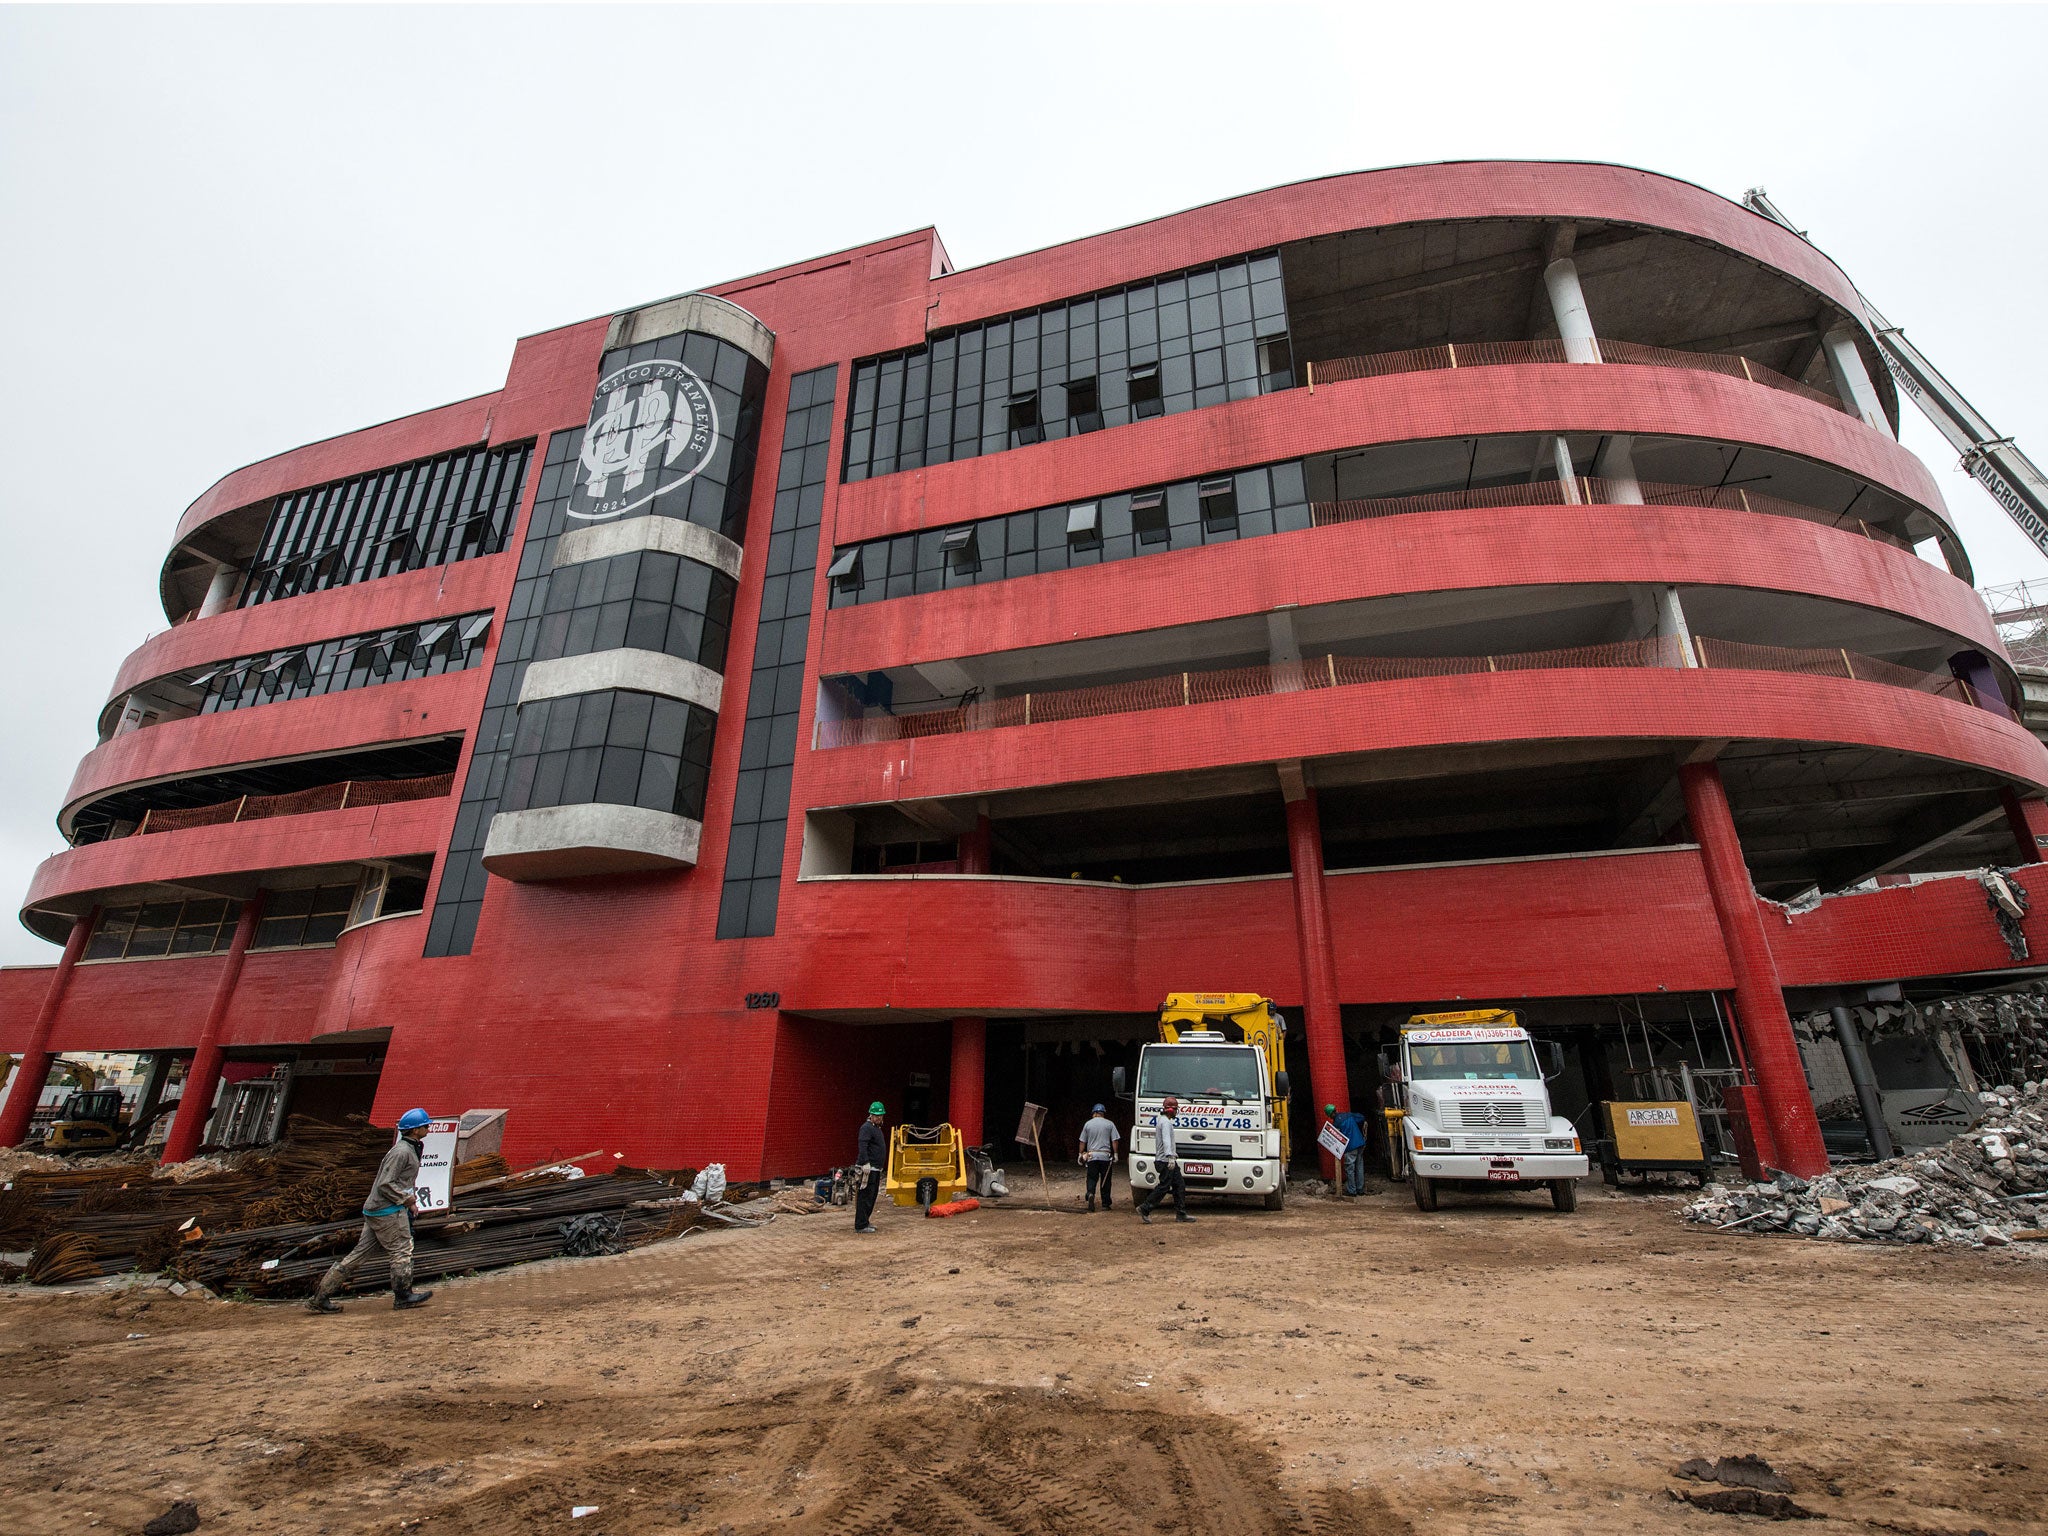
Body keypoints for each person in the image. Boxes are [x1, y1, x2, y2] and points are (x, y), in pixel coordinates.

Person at [306, 1107, 435, 1313]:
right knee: (402, 1250)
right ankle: (404, 1296)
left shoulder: (407, 1149)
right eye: (425, 1125)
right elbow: (386, 1183)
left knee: (358, 1255)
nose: (428, 1128)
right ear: (414, 1130)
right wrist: (407, 1199)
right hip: (388, 1211)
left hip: (378, 1209)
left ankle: (320, 1297)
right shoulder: (402, 1152)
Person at [1136, 1096, 1193, 1224]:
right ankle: (1145, 1208)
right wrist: (1170, 1157)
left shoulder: (1162, 1121)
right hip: (1166, 1160)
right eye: (1176, 1109)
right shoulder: (1166, 1123)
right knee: (1164, 1186)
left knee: (1179, 1185)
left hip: (1166, 1159)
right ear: (1171, 1110)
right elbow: (1167, 1141)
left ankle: (1181, 1213)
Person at [1077, 1103, 1120, 1211]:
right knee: (1105, 1181)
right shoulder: (1110, 1124)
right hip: (1105, 1157)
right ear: (1103, 1113)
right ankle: (1105, 1204)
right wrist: (1115, 1154)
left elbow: (1082, 1141)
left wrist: (1080, 1154)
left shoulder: (1088, 1124)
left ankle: (1090, 1193)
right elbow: (1114, 1140)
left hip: (1092, 1156)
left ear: (1094, 1113)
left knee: (1091, 1178)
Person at [853, 1100, 887, 1234]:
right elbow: (863, 1146)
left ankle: (865, 1221)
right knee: (865, 1196)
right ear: (870, 1115)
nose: (879, 1118)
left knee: (871, 1196)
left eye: (880, 1116)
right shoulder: (866, 1128)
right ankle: (860, 1224)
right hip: (868, 1169)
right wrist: (865, 1162)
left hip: (875, 1169)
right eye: (876, 1116)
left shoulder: (876, 1128)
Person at [1325, 1101, 1369, 1196]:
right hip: (1360, 1143)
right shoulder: (1348, 1115)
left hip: (1350, 1147)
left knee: (1350, 1168)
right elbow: (1361, 1118)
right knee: (1359, 1166)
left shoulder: (1336, 1124)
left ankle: (1352, 1191)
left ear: (1330, 1114)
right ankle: (1360, 1189)